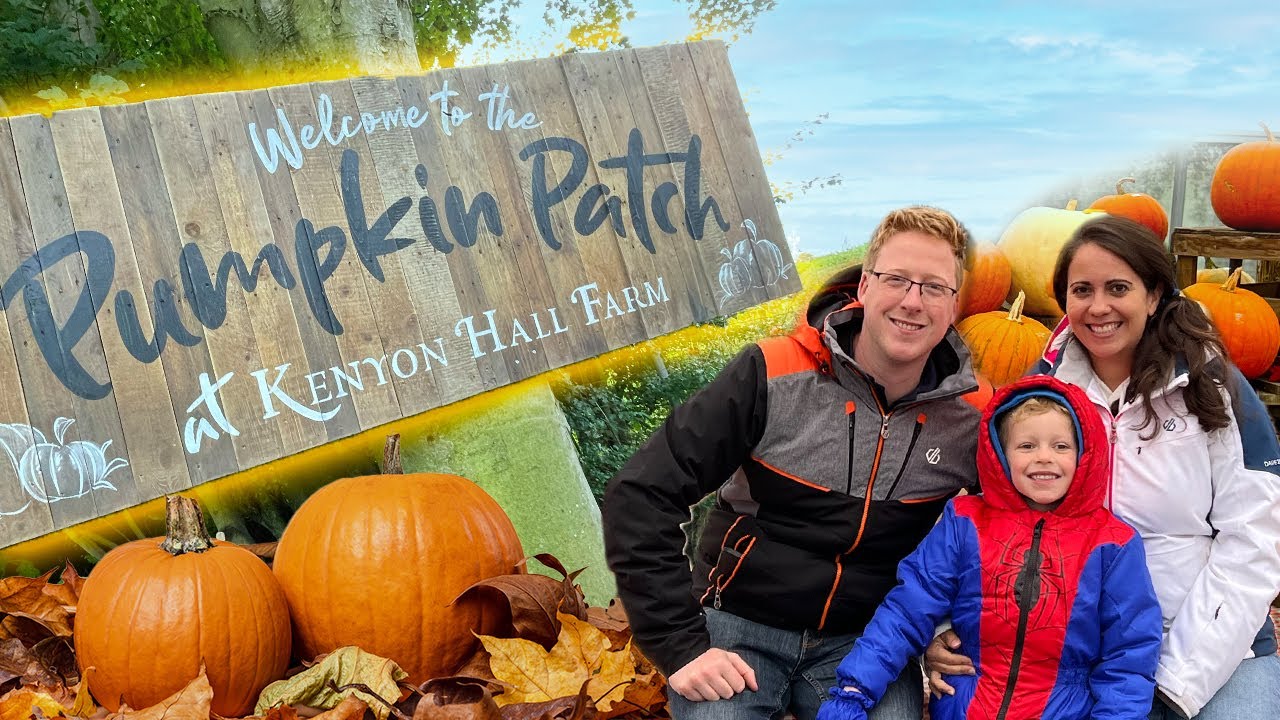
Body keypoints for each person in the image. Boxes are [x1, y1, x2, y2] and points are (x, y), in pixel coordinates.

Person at [602, 206, 983, 719]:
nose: (913, 301)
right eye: (897, 280)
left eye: (934, 287)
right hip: (738, 625)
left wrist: (952, 631)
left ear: (954, 305)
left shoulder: (971, 418)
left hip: (867, 642)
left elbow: (1018, 532)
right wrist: (680, 646)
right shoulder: (773, 372)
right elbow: (641, 493)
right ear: (865, 287)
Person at [925, 215, 1280, 719]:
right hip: (1066, 650)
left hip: (1211, 643)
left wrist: (1176, 683)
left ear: (1154, 294)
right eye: (1081, 290)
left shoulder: (1212, 389)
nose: (1098, 307)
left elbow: (1254, 542)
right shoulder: (1040, 396)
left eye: (1118, 288)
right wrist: (943, 629)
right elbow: (979, 517)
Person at [816, 375, 1163, 720]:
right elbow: (908, 610)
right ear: (1000, 454)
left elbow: (1128, 655)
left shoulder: (1113, 543)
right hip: (965, 705)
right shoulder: (966, 521)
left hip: (1063, 708)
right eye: (1026, 446)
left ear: (1085, 454)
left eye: (1061, 446)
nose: (1044, 457)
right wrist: (854, 691)